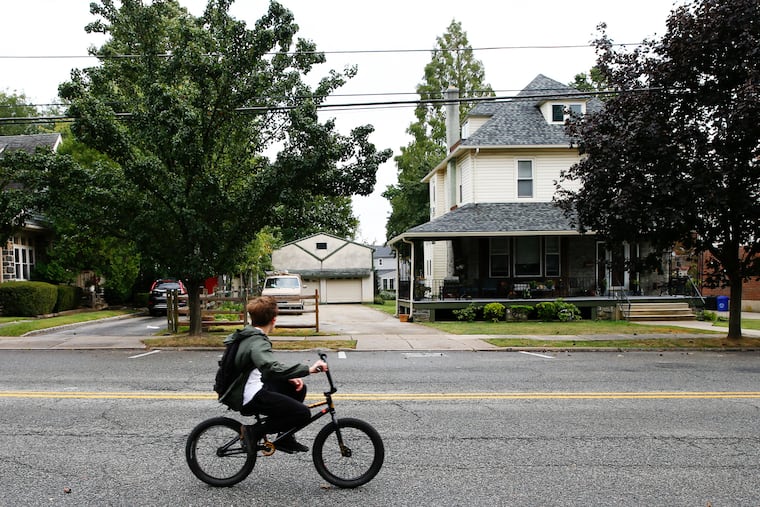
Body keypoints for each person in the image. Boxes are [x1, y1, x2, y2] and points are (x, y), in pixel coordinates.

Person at [221, 296, 327, 454]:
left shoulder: (249, 335)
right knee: (303, 413)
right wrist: (309, 369)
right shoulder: (257, 342)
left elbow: (259, 369)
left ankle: (285, 437)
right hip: (249, 395)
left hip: (247, 387)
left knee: (298, 389)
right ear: (273, 320)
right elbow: (270, 367)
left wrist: (288, 377)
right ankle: (253, 432)